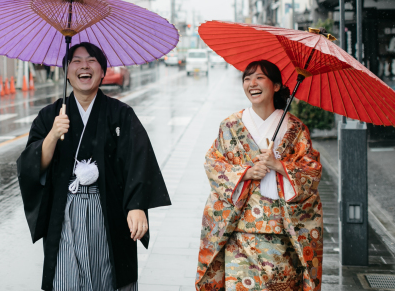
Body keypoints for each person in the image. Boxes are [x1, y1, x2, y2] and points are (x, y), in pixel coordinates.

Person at [17, 42, 171, 291]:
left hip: (109, 210)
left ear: (102, 71)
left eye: (91, 61)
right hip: (64, 213)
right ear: (66, 72)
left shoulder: (121, 114)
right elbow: (31, 167)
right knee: (65, 280)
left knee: (109, 279)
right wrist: (53, 135)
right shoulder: (51, 115)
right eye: (75, 61)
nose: (83, 66)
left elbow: (139, 161)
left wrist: (137, 206)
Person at [196, 60, 323, 291]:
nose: (251, 83)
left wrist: (279, 165)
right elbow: (213, 163)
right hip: (239, 232)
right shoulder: (230, 126)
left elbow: (311, 171)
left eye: (259, 78)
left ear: (276, 86)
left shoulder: (295, 128)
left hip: (282, 234)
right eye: (247, 78)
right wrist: (245, 173)